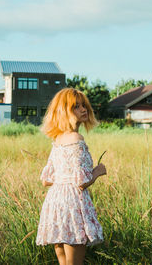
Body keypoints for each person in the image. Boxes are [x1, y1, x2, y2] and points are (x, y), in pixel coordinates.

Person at [36, 88, 107, 265]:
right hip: (72, 205)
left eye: (84, 106)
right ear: (64, 112)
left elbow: (46, 179)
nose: (83, 110)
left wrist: (63, 180)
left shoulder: (58, 140)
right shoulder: (77, 139)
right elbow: (81, 182)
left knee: (63, 260)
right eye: (76, 107)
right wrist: (98, 171)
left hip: (55, 202)